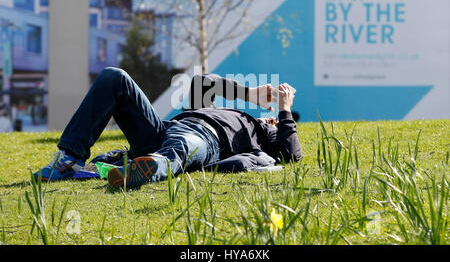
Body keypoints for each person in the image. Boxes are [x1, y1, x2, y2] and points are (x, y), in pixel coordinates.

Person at [34, 67, 301, 187]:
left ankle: (148, 168)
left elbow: (291, 154)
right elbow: (203, 81)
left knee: (183, 145)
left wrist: (284, 110)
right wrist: (251, 94)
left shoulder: (262, 132)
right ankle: (70, 158)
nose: (270, 119)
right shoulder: (223, 110)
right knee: (114, 77)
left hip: (207, 142)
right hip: (163, 129)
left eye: (276, 121)